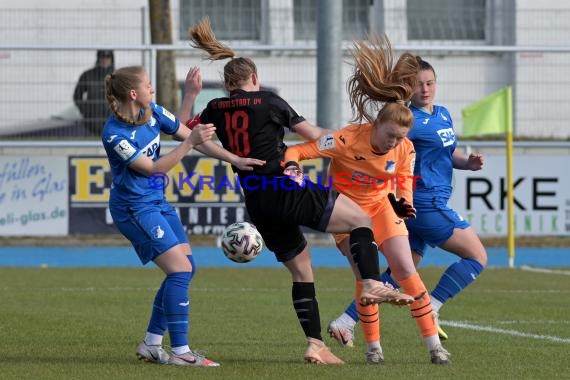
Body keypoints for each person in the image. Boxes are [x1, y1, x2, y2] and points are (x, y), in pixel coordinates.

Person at [183, 17, 414, 365]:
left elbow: (185, 135)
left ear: (228, 84)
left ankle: (315, 344)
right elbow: (311, 134)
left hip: (258, 202)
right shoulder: (269, 101)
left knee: (302, 269)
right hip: (285, 186)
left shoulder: (215, 108)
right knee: (360, 217)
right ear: (255, 79)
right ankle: (369, 282)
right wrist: (345, 138)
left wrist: (190, 97)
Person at [284, 36, 450, 365]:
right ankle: (374, 347)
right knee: (366, 278)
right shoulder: (347, 138)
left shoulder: (405, 148)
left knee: (405, 269)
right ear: (376, 126)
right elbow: (299, 149)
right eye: (390, 135)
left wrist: (404, 203)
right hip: (346, 214)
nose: (394, 142)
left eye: (400, 137)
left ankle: (434, 346)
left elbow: (403, 181)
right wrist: (291, 167)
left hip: (381, 207)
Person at [101, 65, 265, 367]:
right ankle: (181, 352)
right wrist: (189, 142)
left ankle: (151, 343)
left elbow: (192, 136)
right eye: (149, 84)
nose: (153, 89)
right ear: (133, 93)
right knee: (178, 270)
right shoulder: (114, 134)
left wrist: (235, 159)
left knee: (186, 268)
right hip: (133, 208)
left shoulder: (153, 111)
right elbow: (154, 168)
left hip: (156, 201)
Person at [327, 56, 487, 345]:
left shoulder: (443, 114)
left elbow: (447, 155)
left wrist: (468, 163)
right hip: (425, 202)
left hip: (417, 206)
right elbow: (383, 146)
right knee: (477, 257)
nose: (425, 89)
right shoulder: (408, 120)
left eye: (430, 83)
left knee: (399, 275)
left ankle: (345, 322)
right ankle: (434, 307)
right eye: (418, 84)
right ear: (408, 88)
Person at [74, 50, 115, 136]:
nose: (105, 59)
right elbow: (77, 96)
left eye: (108, 57)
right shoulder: (88, 75)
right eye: (102, 57)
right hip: (92, 120)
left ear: (111, 59)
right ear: (98, 58)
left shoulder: (117, 76)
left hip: (112, 119)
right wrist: (86, 111)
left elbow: (125, 97)